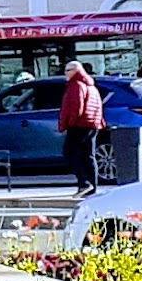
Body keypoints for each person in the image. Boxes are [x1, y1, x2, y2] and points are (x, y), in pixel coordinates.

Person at [57, 61, 106, 191]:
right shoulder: (91, 86)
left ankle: (84, 183)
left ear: (75, 71)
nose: (65, 73)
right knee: (88, 155)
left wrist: (70, 124)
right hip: (92, 125)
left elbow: (76, 107)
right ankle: (92, 186)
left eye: (68, 70)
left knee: (69, 152)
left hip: (79, 125)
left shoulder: (76, 85)